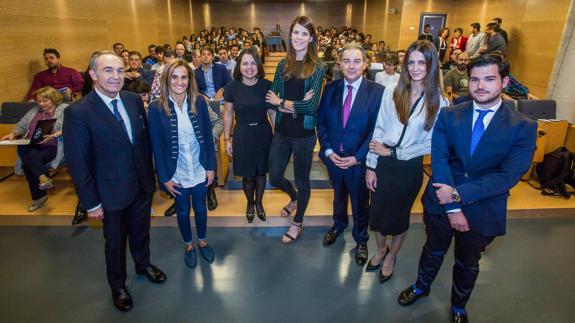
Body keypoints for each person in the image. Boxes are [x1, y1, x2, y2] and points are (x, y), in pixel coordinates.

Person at [397, 54, 537, 323]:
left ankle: (458, 306)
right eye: (474, 79)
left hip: (483, 208)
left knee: (467, 263)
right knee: (432, 250)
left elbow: (508, 175)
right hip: (440, 200)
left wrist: (459, 196)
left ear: (504, 82)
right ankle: (421, 287)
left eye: (489, 79)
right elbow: (439, 159)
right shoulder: (449, 114)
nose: (480, 85)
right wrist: (451, 207)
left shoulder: (523, 127)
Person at [63, 51, 166, 312]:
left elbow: (143, 145)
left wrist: (151, 180)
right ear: (93, 75)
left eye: (120, 70)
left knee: (142, 233)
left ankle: (144, 265)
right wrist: (91, 202)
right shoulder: (79, 112)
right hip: (109, 194)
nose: (116, 76)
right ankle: (118, 285)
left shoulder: (133, 101)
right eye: (108, 70)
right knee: (116, 243)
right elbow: (78, 163)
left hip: (141, 187)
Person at [366, 40, 449, 284]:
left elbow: (432, 143)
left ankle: (392, 256)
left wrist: (395, 153)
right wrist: (371, 165)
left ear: (431, 65)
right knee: (378, 215)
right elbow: (379, 128)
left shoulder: (440, 101)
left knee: (399, 217)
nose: (414, 68)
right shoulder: (392, 89)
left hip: (408, 167)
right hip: (382, 161)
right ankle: (381, 250)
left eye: (421, 62)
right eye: (410, 62)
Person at [317, 43, 383, 265]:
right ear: (339, 63)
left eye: (357, 61)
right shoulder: (330, 88)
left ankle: (361, 239)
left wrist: (357, 157)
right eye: (346, 61)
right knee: (338, 196)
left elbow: (377, 130)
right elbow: (322, 122)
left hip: (359, 162)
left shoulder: (377, 92)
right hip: (334, 158)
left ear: (365, 64)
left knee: (360, 203)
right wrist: (327, 150)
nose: (351, 66)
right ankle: (338, 225)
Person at [148, 60, 216, 269]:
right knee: (183, 210)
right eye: (174, 77)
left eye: (184, 77)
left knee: (201, 208)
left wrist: (211, 166)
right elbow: (156, 147)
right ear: (167, 79)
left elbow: (206, 135)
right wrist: (165, 178)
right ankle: (188, 245)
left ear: (189, 79)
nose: (179, 81)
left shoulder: (199, 102)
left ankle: (202, 241)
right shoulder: (156, 108)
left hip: (199, 167)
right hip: (175, 172)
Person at [265, 16, 325, 244]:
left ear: (311, 38)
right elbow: (271, 99)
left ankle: (298, 222)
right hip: (281, 132)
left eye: (304, 33)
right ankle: (294, 198)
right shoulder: (283, 64)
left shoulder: (318, 67)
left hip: (304, 135)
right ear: (290, 35)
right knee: (275, 176)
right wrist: (290, 104)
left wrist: (285, 102)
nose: (299, 37)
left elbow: (312, 107)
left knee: (302, 179)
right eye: (296, 32)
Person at [223, 48, 274, 223]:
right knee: (247, 174)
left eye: (253, 63)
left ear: (258, 65)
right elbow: (228, 114)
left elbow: (272, 113)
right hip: (242, 134)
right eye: (245, 63)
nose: (249, 67)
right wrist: (227, 139)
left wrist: (277, 138)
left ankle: (259, 203)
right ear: (239, 66)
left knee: (261, 172)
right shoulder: (231, 87)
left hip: (263, 132)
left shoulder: (267, 85)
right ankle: (250, 204)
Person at [1, 87, 67, 211]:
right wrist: (13, 134)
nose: (41, 104)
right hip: (33, 145)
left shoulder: (64, 109)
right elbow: (21, 125)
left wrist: (53, 135)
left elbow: (71, 127)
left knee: (28, 164)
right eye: (39, 101)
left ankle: (39, 197)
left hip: (54, 145)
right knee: (23, 147)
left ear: (54, 99)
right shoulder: (34, 110)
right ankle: (42, 177)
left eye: (44, 101)